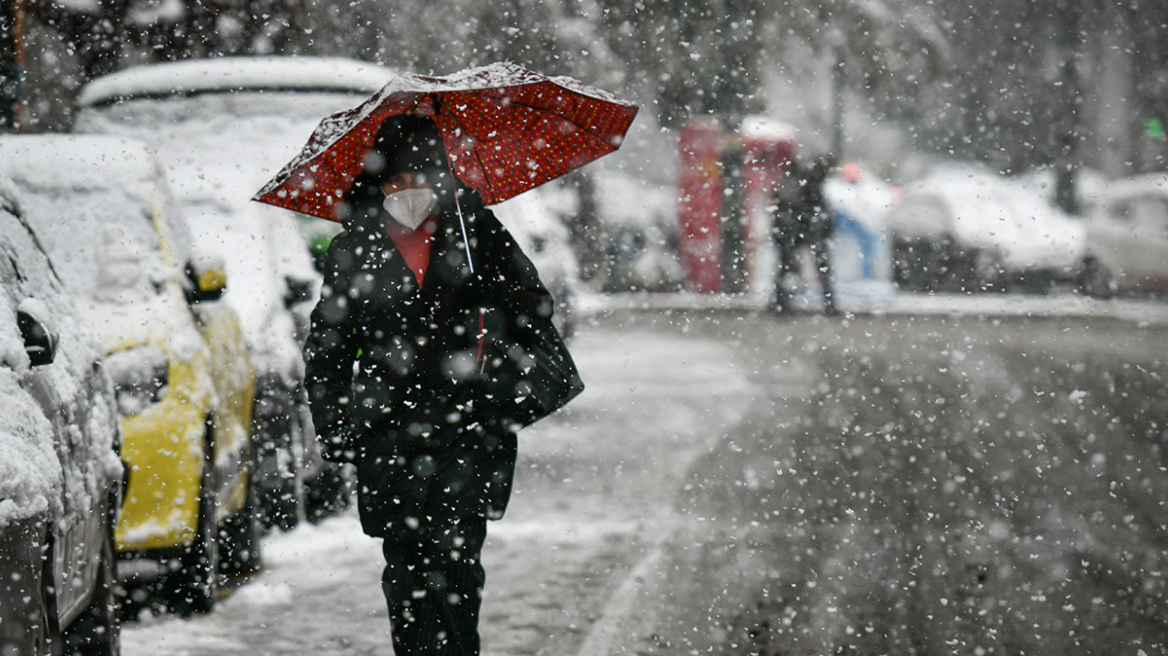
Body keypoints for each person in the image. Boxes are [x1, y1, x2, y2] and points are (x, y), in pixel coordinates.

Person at [303, 114, 583, 655]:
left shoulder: (476, 231)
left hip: (469, 430)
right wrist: (337, 427)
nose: (408, 193)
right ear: (377, 183)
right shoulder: (354, 248)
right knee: (406, 578)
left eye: (420, 179)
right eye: (396, 181)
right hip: (390, 437)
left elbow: (534, 308)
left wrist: (490, 336)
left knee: (456, 574)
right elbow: (328, 348)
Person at [769, 156, 838, 315]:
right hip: (800, 232)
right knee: (809, 267)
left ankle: (781, 302)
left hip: (794, 232)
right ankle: (827, 304)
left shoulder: (791, 184)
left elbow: (782, 208)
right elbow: (812, 209)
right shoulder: (808, 185)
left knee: (787, 267)